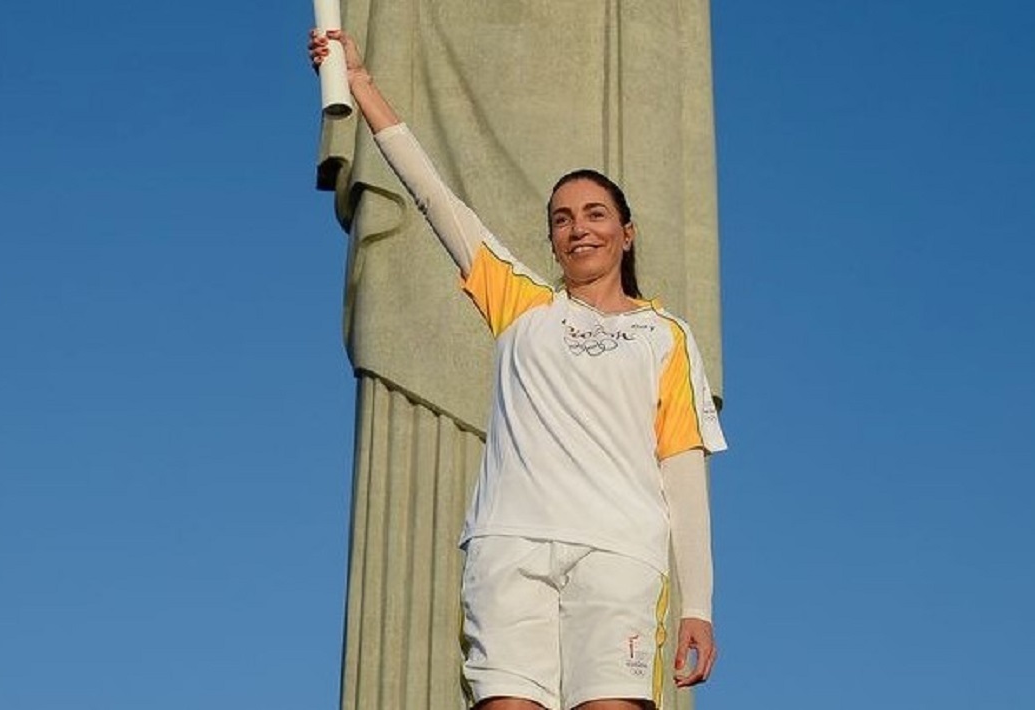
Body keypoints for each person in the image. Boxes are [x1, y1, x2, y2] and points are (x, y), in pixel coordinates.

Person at [311, 29, 727, 710]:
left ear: (627, 232)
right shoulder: (521, 305)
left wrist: (699, 605)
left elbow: (683, 472)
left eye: (596, 214)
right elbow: (431, 193)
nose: (578, 228)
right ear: (552, 240)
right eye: (562, 219)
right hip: (511, 547)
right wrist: (360, 83)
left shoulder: (664, 337)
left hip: (618, 555)